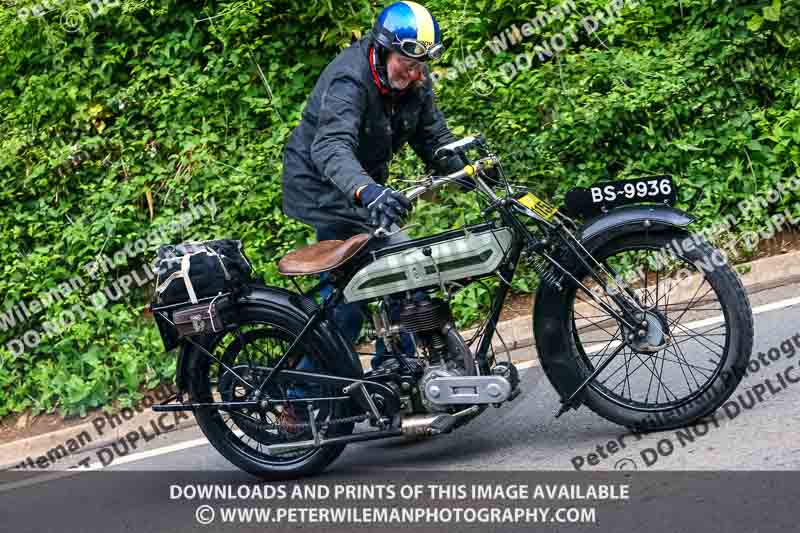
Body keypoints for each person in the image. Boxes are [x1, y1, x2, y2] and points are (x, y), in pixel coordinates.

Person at [281, 1, 465, 375]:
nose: (415, 74)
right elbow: (330, 147)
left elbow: (434, 139)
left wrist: (473, 172)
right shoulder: (350, 79)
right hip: (323, 186)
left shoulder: (413, 81)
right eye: (407, 63)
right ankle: (302, 399)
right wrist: (369, 192)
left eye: (421, 65)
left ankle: (395, 371)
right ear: (383, 50)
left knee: (399, 273)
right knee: (355, 295)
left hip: (361, 185)